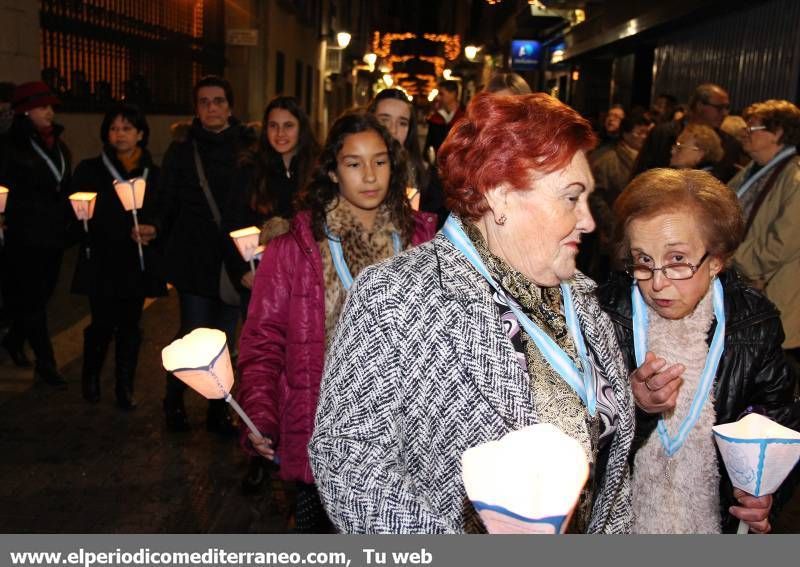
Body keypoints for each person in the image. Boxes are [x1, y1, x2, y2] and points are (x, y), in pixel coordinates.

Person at [309, 93, 634, 533]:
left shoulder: (583, 298)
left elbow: (613, 480)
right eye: (571, 198)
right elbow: (348, 459)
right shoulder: (397, 296)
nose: (588, 222)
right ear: (500, 196)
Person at [236, 111, 437, 532]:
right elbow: (263, 339)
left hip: (407, 437)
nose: (370, 175)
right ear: (332, 170)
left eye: (380, 161)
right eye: (353, 163)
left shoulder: (423, 241)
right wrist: (260, 413)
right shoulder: (297, 247)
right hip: (325, 434)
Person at [598, 168, 799, 533]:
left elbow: (781, 425)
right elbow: (577, 446)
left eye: (677, 260)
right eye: (643, 260)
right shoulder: (603, 316)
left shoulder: (754, 323)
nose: (657, 283)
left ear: (717, 259)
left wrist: (766, 494)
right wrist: (634, 407)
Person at [136, 75, 256, 433]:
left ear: (230, 106)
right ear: (196, 109)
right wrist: (154, 225)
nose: (212, 108)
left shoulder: (248, 148)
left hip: (234, 260)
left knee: (225, 338)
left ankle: (219, 409)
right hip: (194, 258)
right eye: (204, 102)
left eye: (218, 101)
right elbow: (166, 199)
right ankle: (174, 399)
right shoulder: (182, 149)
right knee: (193, 332)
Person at [70, 103, 166, 409]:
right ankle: (92, 377)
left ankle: (125, 386)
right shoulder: (90, 169)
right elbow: (78, 212)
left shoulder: (154, 173)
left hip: (135, 262)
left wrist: (154, 227)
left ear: (140, 134)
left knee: (130, 324)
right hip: (102, 259)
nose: (120, 134)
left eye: (126, 128)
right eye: (114, 128)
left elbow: (163, 211)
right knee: (101, 322)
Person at [0, 81, 71, 385]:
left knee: (41, 296)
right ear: (25, 111)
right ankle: (46, 361)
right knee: (31, 297)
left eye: (51, 107)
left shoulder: (59, 144)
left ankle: (14, 340)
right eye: (43, 107)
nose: (50, 112)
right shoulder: (9, 147)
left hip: (53, 236)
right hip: (22, 235)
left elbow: (64, 185)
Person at [224, 95, 319, 309]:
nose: (280, 134)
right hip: (260, 277)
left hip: (306, 279)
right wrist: (241, 270)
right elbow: (231, 223)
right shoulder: (249, 168)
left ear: (301, 128)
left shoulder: (317, 170)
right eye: (273, 126)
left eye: (288, 126)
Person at [729, 100, 800, 371]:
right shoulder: (752, 171)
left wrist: (731, 257)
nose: (745, 132)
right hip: (745, 292)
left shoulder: (794, 179)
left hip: (771, 296)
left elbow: (780, 246)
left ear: (778, 132)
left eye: (753, 127)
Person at [581, 110, 653, 281]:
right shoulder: (608, 160)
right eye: (639, 132)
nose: (643, 137)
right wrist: (610, 224)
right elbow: (596, 197)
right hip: (612, 229)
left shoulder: (646, 159)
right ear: (626, 134)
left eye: (646, 132)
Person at [632, 83, 744, 182]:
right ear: (700, 105)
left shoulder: (730, 144)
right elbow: (640, 176)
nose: (725, 113)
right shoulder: (663, 134)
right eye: (719, 108)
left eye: (727, 108)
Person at [367, 88, 428, 210]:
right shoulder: (351, 169)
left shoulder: (423, 176)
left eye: (402, 123)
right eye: (384, 120)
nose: (393, 130)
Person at [424, 79, 465, 159]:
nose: (438, 98)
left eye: (441, 94)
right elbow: (429, 145)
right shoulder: (435, 118)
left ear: (453, 94)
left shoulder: (465, 118)